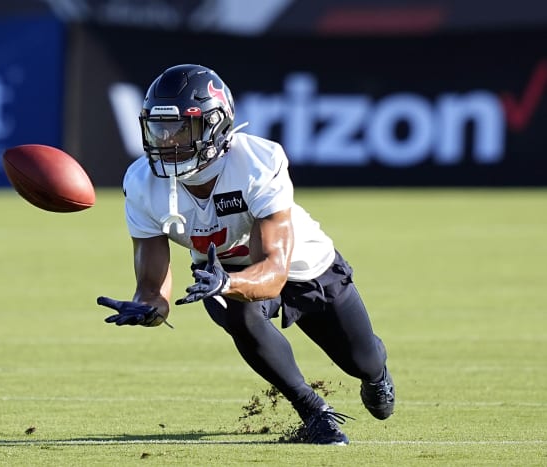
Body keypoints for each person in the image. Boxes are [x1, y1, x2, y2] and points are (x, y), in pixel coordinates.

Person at [96, 64, 395, 445]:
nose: (168, 141)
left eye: (181, 129)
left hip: (302, 264)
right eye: (160, 129)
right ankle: (313, 412)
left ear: (215, 125)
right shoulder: (141, 182)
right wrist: (150, 309)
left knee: (363, 359)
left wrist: (228, 281)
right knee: (238, 313)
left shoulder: (256, 162)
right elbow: (153, 288)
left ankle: (376, 374)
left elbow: (274, 271)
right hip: (222, 271)